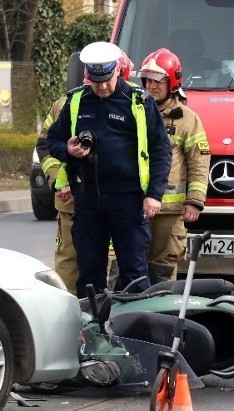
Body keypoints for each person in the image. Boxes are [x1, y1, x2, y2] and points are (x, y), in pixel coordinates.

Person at [46, 41, 171, 298]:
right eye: (96, 80)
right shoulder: (77, 101)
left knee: (134, 275)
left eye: (107, 79)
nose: (102, 86)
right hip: (88, 199)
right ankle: (91, 330)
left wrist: (154, 194)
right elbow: (53, 141)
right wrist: (68, 150)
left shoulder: (138, 102)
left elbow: (161, 149)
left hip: (128, 200)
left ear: (118, 71)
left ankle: (135, 330)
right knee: (88, 274)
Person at [37, 51, 135, 295]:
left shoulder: (136, 105)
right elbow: (46, 144)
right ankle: (74, 319)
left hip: (120, 203)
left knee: (124, 267)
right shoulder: (66, 104)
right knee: (71, 264)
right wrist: (59, 181)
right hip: (74, 201)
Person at [136, 48, 209, 283]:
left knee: (162, 269)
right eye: (147, 80)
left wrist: (195, 201)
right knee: (128, 267)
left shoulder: (187, 119)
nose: (151, 86)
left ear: (172, 82)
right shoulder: (134, 112)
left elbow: (199, 161)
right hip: (134, 206)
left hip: (169, 212)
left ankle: (162, 318)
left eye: (158, 81)